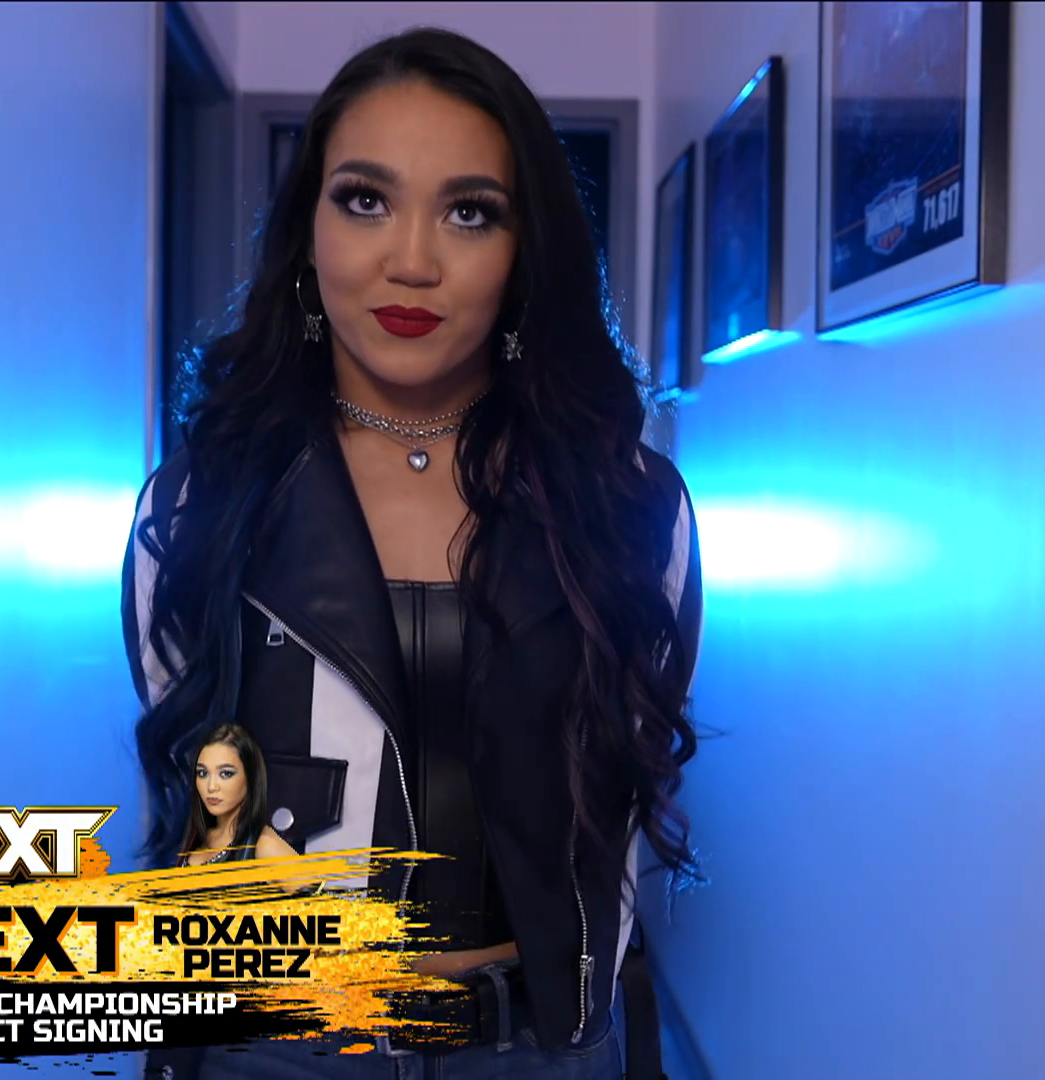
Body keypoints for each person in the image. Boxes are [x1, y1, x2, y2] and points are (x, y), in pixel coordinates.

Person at [124, 26, 702, 1080]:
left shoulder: (628, 506)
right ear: (307, 229)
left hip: (535, 1053)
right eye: (365, 200)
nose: (413, 261)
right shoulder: (200, 503)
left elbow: (618, 802)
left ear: (523, 252)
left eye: (469, 212)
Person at [177, 724, 297, 866]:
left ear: (250, 777)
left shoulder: (264, 844)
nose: (211, 786)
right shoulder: (198, 837)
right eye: (203, 773)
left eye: (226, 774)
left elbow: (312, 880)